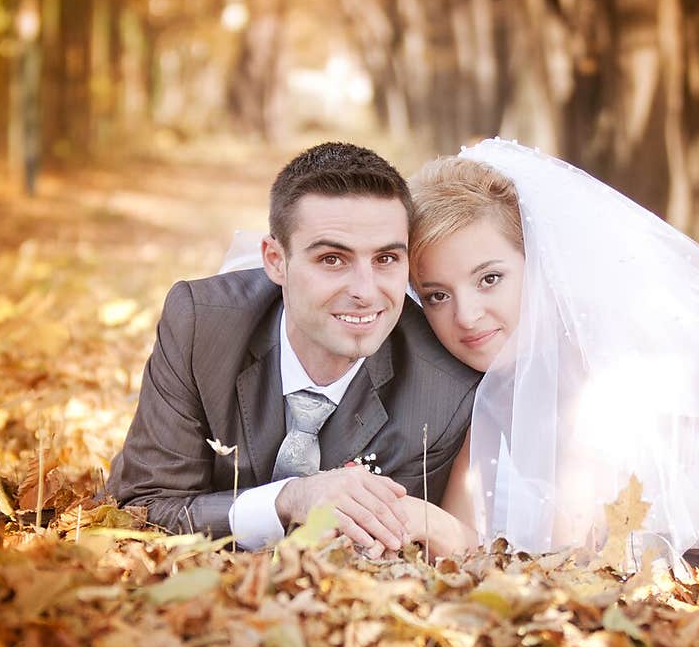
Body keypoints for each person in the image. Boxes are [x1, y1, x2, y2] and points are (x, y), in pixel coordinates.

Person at [398, 137, 699, 568]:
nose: (467, 316)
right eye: (437, 295)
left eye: (489, 279)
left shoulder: (608, 383)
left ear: (540, 262)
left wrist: (439, 528)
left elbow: (565, 565)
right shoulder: (489, 389)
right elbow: (461, 536)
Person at [107, 142, 480, 552]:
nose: (365, 292)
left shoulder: (442, 390)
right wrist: (287, 500)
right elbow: (138, 511)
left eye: (386, 259)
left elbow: (390, 553)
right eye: (333, 259)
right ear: (275, 260)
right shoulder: (201, 325)